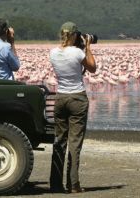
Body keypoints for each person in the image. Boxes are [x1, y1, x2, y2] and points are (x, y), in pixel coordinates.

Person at [49, 22, 96, 193]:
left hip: (60, 98)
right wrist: (88, 47)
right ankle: (73, 183)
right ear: (75, 35)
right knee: (74, 143)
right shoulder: (78, 52)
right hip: (77, 97)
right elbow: (93, 68)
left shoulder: (53, 53)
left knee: (59, 141)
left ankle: (55, 183)